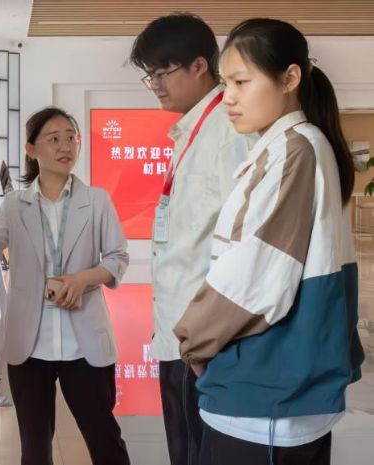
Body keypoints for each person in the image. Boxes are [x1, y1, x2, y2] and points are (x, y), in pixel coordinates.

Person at [173, 18, 365, 465]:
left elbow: (255, 278)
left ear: (290, 78)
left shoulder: (295, 151)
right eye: (225, 83)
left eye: (241, 82)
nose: (228, 97)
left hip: (266, 397)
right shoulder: (293, 147)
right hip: (275, 395)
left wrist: (193, 339)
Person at [0, 106, 131, 465]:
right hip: (29, 346)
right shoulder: (14, 204)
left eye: (71, 138)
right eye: (54, 139)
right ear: (31, 149)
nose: (65, 146)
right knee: (34, 450)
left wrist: (81, 280)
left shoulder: (96, 201)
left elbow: (117, 258)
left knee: (105, 441)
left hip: (84, 344)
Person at [129, 13, 252, 465]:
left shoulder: (229, 132)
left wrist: (206, 334)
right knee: (183, 448)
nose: (156, 86)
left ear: (200, 66)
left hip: (205, 340)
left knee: (201, 452)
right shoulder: (191, 132)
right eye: (150, 76)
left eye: (162, 73)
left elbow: (241, 244)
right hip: (179, 333)